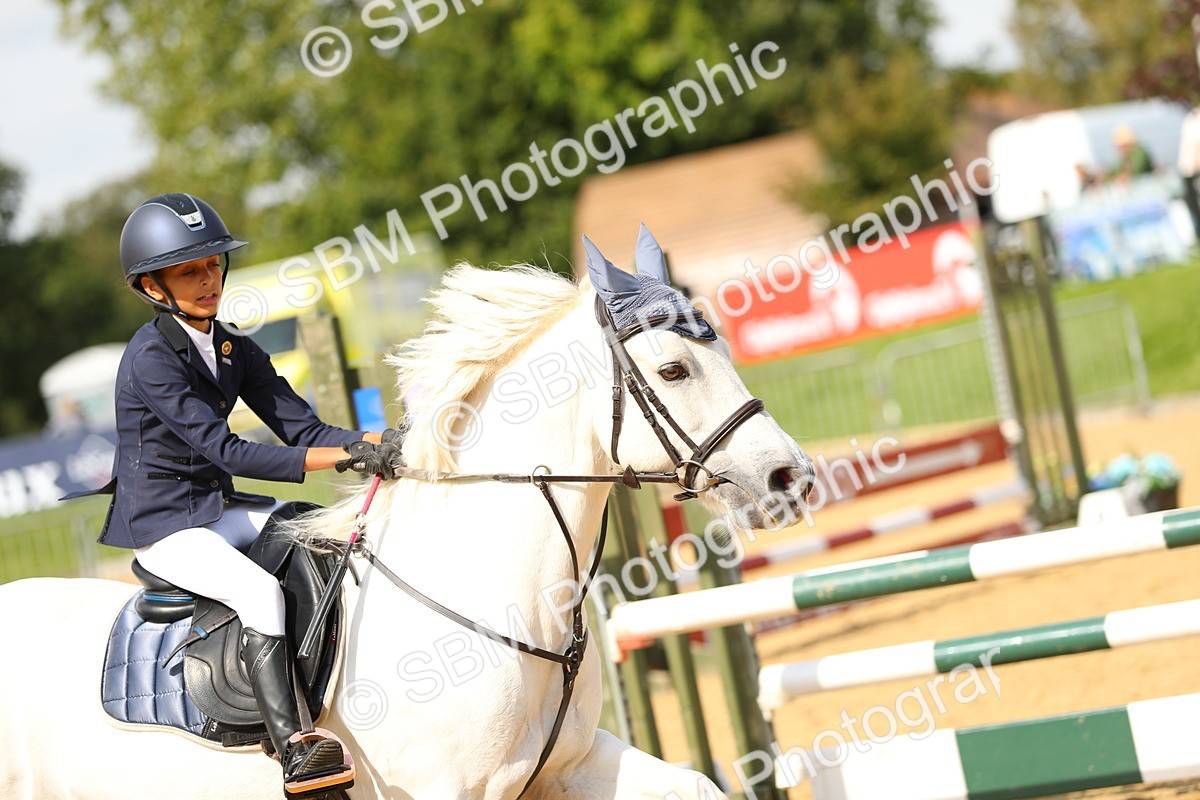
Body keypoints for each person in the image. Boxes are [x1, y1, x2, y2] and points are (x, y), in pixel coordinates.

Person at [67, 193, 401, 794]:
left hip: (218, 510)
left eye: (214, 265)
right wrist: (349, 455)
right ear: (151, 286)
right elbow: (228, 452)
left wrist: (387, 438)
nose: (208, 280)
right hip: (167, 527)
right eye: (189, 271)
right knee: (258, 591)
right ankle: (294, 745)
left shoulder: (232, 348)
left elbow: (305, 430)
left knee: (325, 535)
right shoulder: (149, 360)